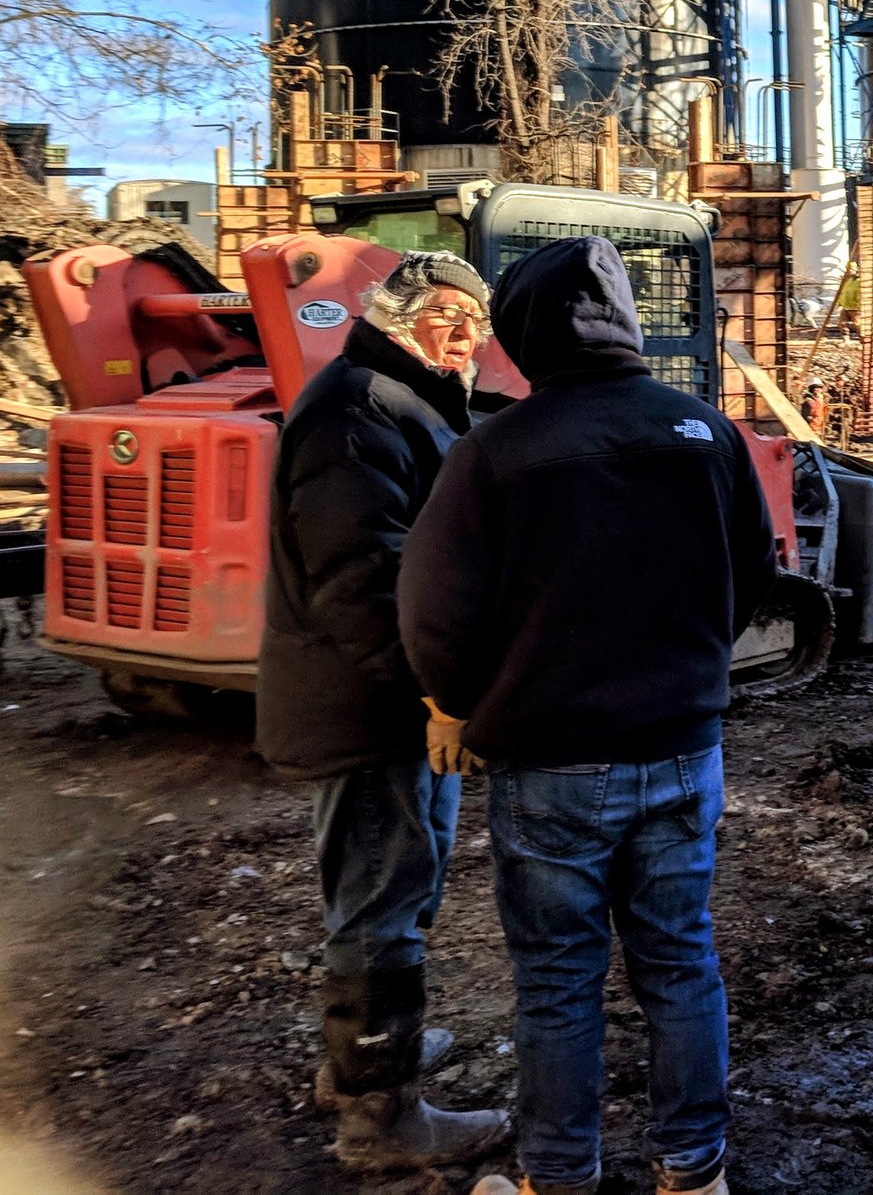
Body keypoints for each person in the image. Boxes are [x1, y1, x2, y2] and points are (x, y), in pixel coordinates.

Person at [401, 237, 777, 1195]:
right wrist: (685, 670)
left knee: (560, 980)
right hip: (683, 746)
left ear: (522, 333)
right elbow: (751, 580)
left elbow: (433, 610)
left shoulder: (496, 450)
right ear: (627, 319)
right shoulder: (706, 431)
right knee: (682, 960)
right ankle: (694, 1171)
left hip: (549, 761)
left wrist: (456, 701)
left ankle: (558, 1177)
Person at [255, 254, 510, 1172]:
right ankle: (381, 1116)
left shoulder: (392, 398)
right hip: (372, 708)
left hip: (376, 701)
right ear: (398, 313)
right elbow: (363, 582)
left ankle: (360, 1062)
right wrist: (437, 694)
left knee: (394, 886)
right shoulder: (362, 406)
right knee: (382, 901)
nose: (468, 334)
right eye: (449, 314)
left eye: (477, 319)